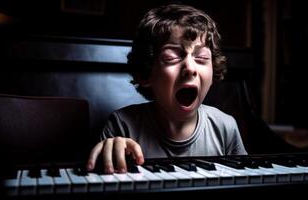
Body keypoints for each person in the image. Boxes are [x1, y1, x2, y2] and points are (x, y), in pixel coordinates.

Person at [86, 4, 247, 174]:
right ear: (146, 74)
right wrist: (110, 157)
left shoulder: (225, 127)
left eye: (202, 57)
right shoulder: (122, 125)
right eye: (171, 57)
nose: (190, 68)